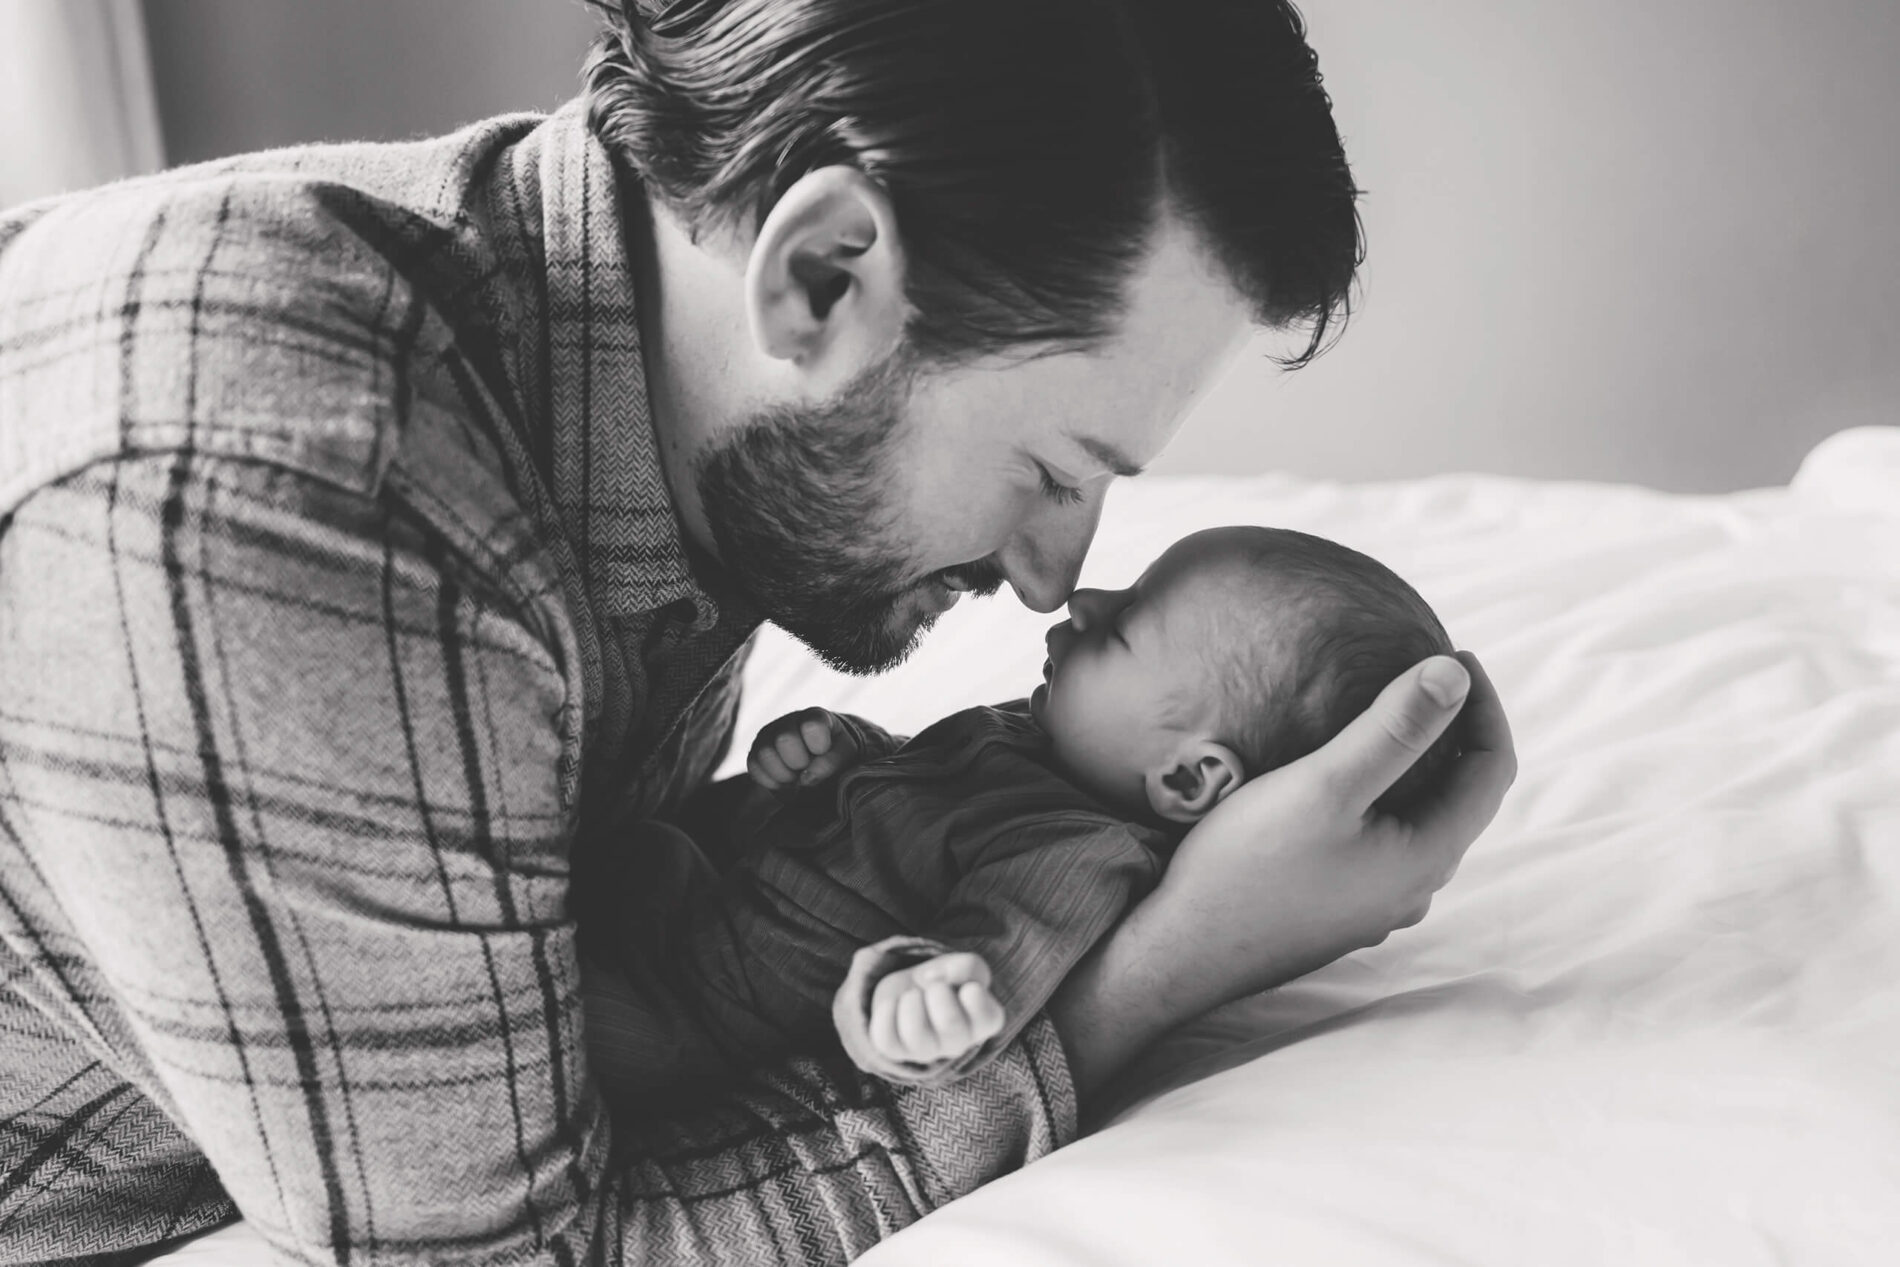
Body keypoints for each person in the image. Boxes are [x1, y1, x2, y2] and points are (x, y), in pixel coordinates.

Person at [0, 0, 1514, 1263]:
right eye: (1052, 470)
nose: (1056, 580)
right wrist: (1155, 974)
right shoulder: (303, 507)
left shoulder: (661, 413)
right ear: (823, 274)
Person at [582, 526, 1459, 1096]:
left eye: (1122, 627)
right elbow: (913, 795)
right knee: (641, 847)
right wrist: (845, 750)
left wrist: (924, 1000)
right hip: (702, 907)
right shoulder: (1038, 737)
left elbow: (993, 965)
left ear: (1188, 783)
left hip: (702, 1024)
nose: (1083, 601)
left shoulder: (1075, 853)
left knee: (578, 1026)